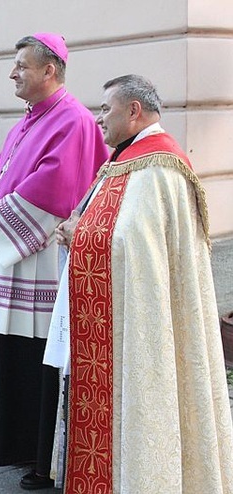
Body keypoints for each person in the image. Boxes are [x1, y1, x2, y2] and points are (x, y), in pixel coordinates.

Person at [49, 74, 233, 494]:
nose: (99, 119)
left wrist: (81, 237)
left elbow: (132, 244)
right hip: (119, 322)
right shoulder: (126, 160)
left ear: (133, 111)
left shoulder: (159, 169)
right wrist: (79, 229)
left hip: (146, 331)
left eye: (105, 110)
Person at [0, 33, 109, 490]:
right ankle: (18, 445)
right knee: (15, 357)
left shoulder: (72, 120)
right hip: (15, 258)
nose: (13, 73)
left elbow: (53, 192)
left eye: (21, 65)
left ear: (50, 70)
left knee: (40, 363)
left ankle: (44, 459)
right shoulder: (25, 122)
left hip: (44, 261)